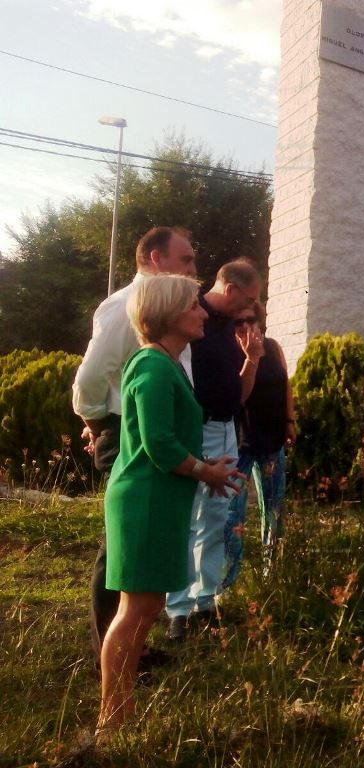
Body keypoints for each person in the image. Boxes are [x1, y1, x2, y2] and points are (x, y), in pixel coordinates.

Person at [97, 275, 243, 739]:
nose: (203, 313)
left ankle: (124, 709)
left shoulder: (168, 363)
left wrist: (204, 465)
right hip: (143, 501)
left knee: (148, 606)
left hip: (160, 499)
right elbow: (158, 445)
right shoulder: (152, 367)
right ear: (168, 313)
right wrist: (206, 472)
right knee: (133, 611)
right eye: (194, 307)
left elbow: (166, 440)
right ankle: (111, 718)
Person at [73, 226, 198, 673]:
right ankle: (114, 652)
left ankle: (133, 648)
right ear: (154, 257)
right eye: (185, 261)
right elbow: (90, 379)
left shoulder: (172, 311)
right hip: (128, 431)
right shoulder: (125, 305)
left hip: (151, 430)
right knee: (122, 551)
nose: (193, 271)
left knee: (139, 550)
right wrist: (98, 424)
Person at [165, 259, 263, 641]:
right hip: (196, 427)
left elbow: (239, 397)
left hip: (226, 427)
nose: (249, 311)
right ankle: (177, 609)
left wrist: (251, 359)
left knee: (218, 515)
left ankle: (205, 600)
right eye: (249, 299)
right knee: (188, 515)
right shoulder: (190, 316)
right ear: (232, 289)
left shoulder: (225, 328)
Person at [222, 302, 296, 590]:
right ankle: (226, 584)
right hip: (241, 443)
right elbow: (238, 395)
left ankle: (271, 575)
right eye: (237, 322)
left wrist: (289, 420)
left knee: (274, 510)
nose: (244, 326)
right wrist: (248, 357)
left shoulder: (274, 347)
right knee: (233, 516)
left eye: (249, 319)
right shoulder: (229, 351)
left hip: (272, 439)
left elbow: (285, 384)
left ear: (259, 320)